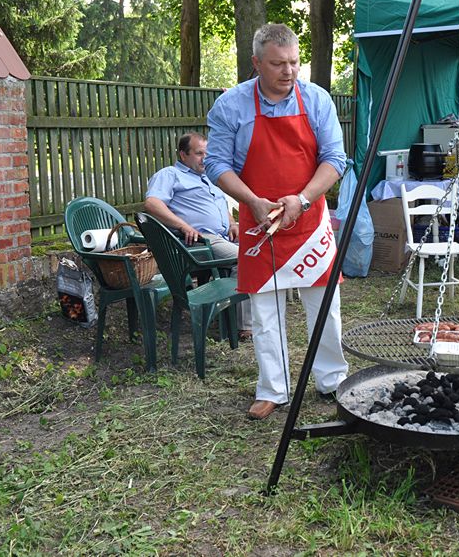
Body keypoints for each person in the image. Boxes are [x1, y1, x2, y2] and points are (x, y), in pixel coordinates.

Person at [204, 23, 348, 421]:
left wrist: (302, 199)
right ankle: (273, 388)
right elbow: (216, 164)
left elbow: (335, 159)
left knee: (325, 307)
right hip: (258, 220)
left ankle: (332, 380)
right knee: (265, 312)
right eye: (278, 64)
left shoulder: (316, 100)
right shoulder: (231, 106)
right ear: (256, 63)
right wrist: (252, 201)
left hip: (308, 219)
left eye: (294, 62)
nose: (289, 71)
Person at [144, 132, 253, 340]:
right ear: (183, 155)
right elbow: (152, 203)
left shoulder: (209, 177)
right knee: (246, 258)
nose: (205, 158)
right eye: (199, 153)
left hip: (223, 237)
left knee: (261, 248)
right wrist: (183, 226)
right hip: (198, 242)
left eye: (207, 153)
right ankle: (243, 326)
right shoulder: (170, 174)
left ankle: (234, 314)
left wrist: (232, 223)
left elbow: (220, 205)